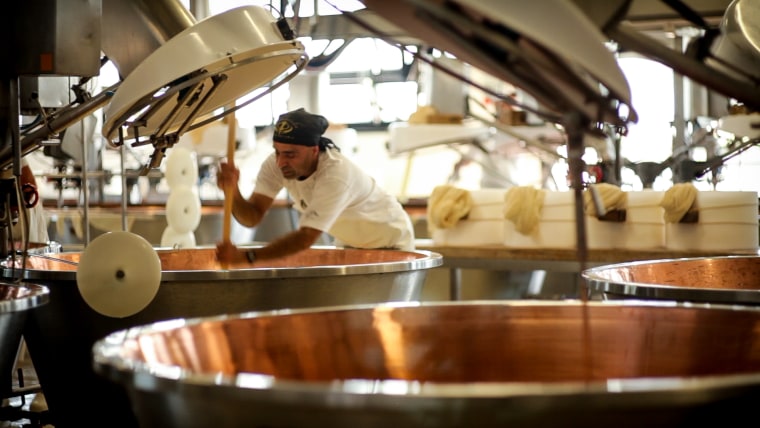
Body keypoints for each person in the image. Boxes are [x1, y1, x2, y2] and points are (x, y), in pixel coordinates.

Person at [216, 108, 415, 264]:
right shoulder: (275, 164)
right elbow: (252, 217)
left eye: (291, 154)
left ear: (314, 151)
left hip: (392, 244)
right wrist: (232, 192)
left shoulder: (335, 175)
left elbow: (305, 238)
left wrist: (247, 257)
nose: (280, 162)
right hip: (350, 244)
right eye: (277, 152)